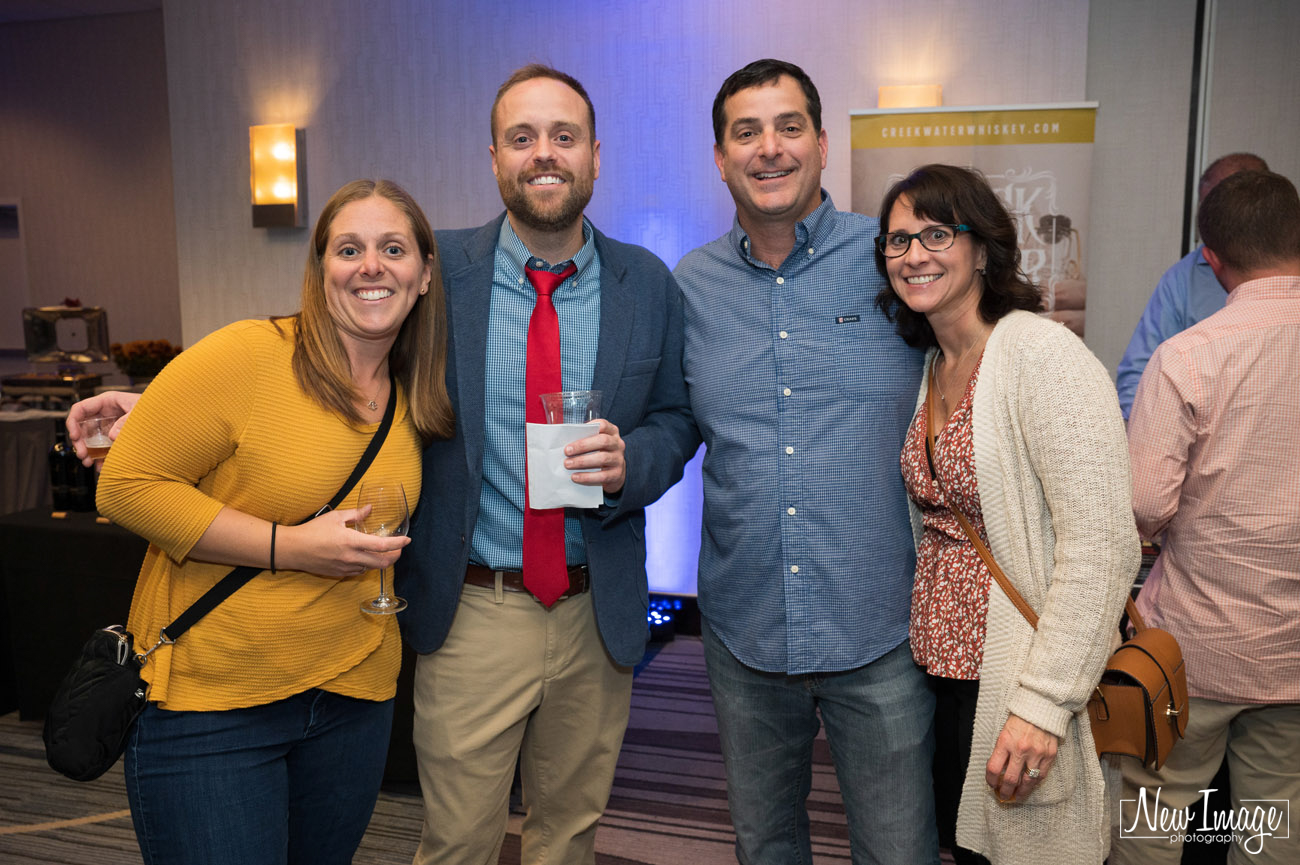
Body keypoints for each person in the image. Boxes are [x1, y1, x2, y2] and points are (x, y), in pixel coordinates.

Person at [73, 178, 454, 865]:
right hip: (215, 707)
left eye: (393, 248)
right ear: (320, 269)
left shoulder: (413, 394)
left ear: (425, 274)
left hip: (353, 699)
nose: (371, 265)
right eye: (349, 248)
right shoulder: (250, 354)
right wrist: (291, 547)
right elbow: (125, 486)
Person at [395, 65, 697, 865]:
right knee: (457, 840)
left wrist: (635, 461)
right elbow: (335, 336)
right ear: (493, 158)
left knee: (567, 837)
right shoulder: (434, 274)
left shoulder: (646, 284)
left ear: (595, 156)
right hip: (473, 610)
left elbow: (677, 416)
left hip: (594, 613)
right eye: (522, 138)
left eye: (563, 136)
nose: (544, 154)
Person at [674, 59, 939, 864]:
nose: (769, 148)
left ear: (823, 145)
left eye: (789, 127)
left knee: (898, 850)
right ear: (720, 158)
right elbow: (668, 426)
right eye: (745, 132)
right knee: (767, 845)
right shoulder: (690, 287)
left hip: (880, 627)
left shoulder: (894, 261)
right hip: (743, 629)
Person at [875, 163, 1138, 864]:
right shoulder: (934, 363)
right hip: (942, 680)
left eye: (936, 233)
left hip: (1015, 680)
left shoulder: (1040, 356)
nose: (913, 254)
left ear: (983, 249)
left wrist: (1043, 704)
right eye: (897, 240)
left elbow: (1105, 545)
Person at [1113, 170, 1300, 865]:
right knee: (1276, 812)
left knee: (1154, 807)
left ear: (1211, 259)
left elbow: (1144, 505)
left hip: (1196, 644)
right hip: (1295, 651)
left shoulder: (1187, 357)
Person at [1114, 152, 1268, 418]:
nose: (1212, 224)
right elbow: (1138, 375)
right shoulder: (1183, 277)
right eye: (1206, 210)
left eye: (1222, 211)